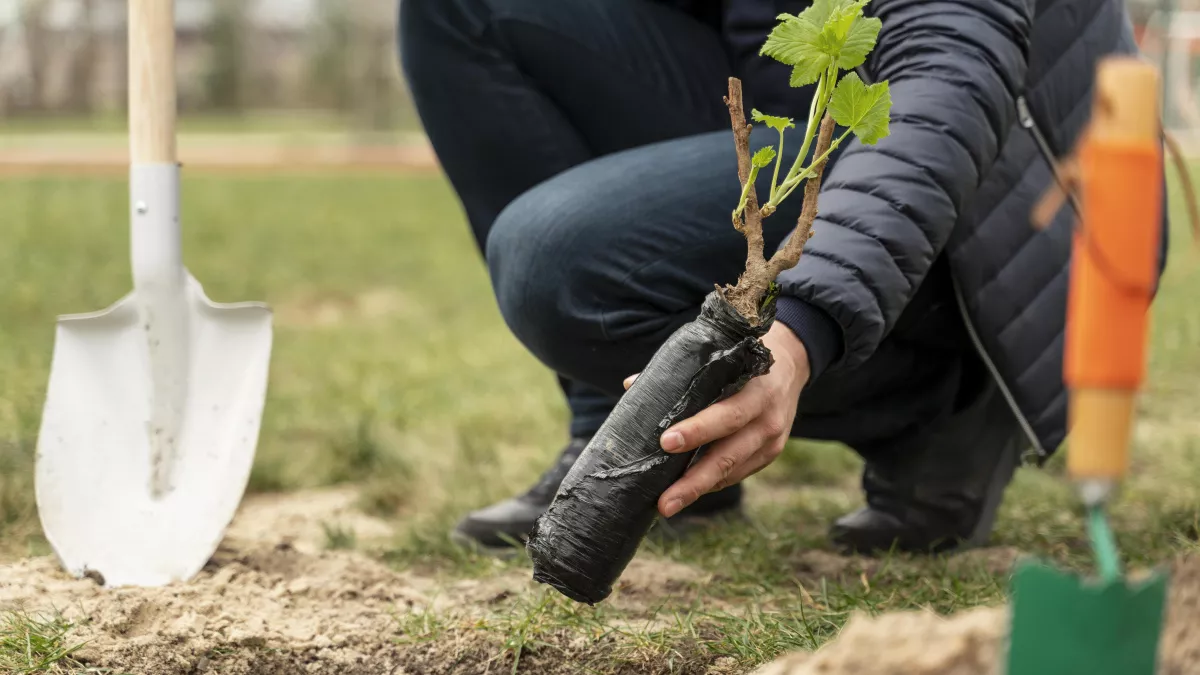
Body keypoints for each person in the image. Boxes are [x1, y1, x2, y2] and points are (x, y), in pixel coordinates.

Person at [397, 0, 1169, 556]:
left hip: (1000, 203)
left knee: (556, 258)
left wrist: (799, 333)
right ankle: (639, 434)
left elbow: (945, 82)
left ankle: (946, 404)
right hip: (807, 117)